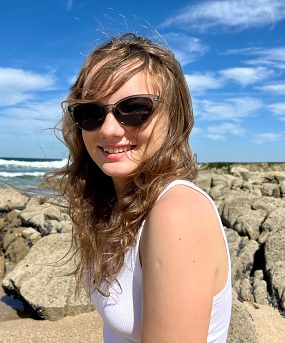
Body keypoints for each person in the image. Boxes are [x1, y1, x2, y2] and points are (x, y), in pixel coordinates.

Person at [49, 33, 232, 342]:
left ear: (174, 117)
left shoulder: (177, 214)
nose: (108, 129)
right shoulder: (113, 204)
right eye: (91, 113)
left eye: (134, 109)